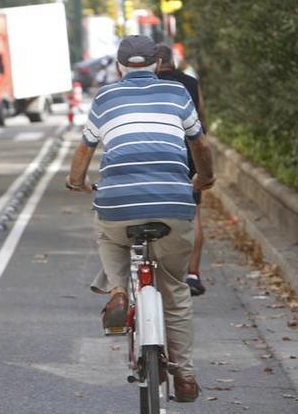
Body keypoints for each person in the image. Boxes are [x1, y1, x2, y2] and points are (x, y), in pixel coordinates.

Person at [67, 35, 216, 402]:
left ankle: (118, 292)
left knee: (109, 235)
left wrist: (76, 182)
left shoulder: (104, 97)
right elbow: (200, 144)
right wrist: (205, 178)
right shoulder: (178, 94)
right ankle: (184, 376)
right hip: (173, 204)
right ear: (157, 64)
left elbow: (85, 148)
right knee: (175, 290)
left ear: (119, 66)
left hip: (119, 204)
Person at [157, 45, 208, 296]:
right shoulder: (190, 83)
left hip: (159, 152)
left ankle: (162, 271)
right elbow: (202, 119)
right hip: (189, 153)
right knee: (194, 213)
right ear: (172, 62)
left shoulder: (149, 84)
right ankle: (192, 274)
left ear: (155, 64)